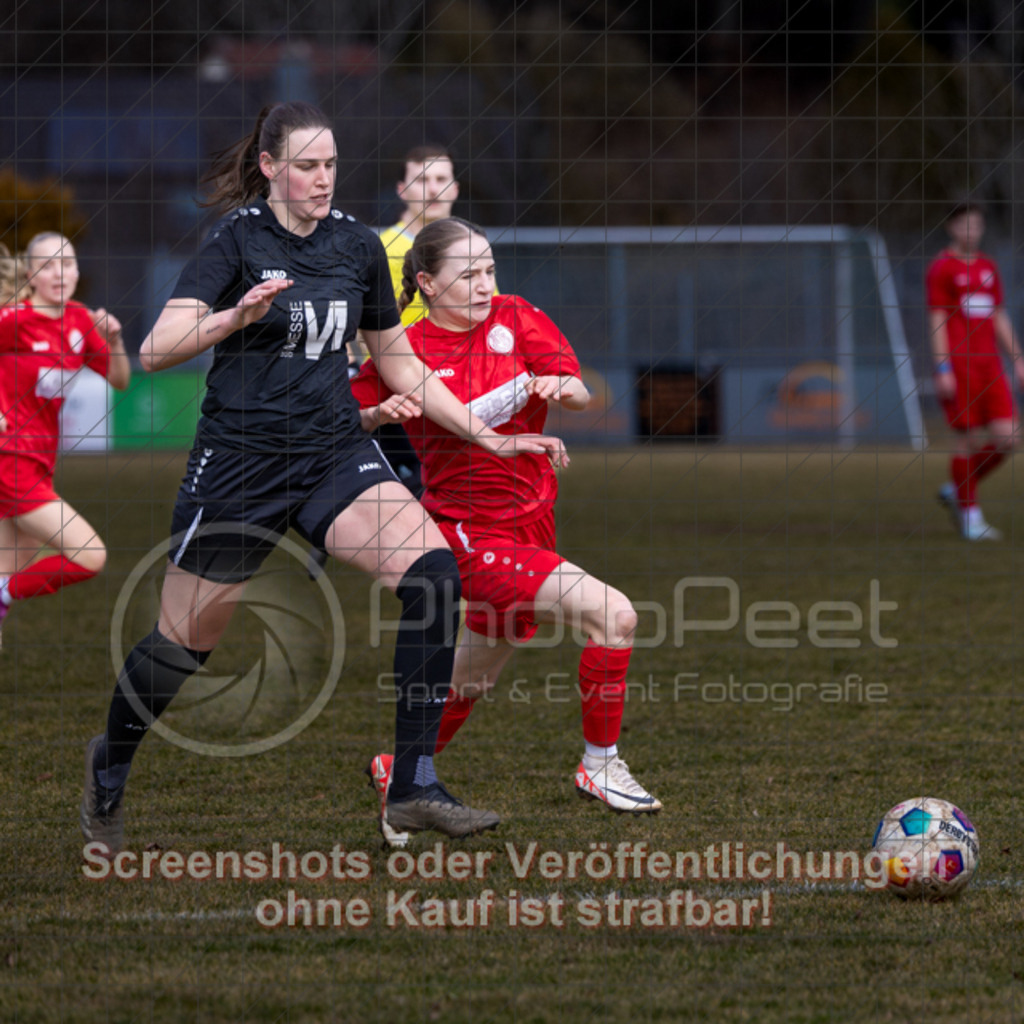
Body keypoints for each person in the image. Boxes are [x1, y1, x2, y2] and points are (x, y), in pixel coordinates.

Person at [79, 102, 566, 855]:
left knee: (435, 574)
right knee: (185, 645)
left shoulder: (356, 245)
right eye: (305, 165)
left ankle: (411, 785)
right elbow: (156, 350)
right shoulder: (237, 239)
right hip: (241, 463)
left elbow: (398, 361)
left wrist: (486, 435)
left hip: (334, 451)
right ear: (270, 167)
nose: (320, 178)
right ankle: (110, 761)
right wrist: (233, 318)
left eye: (331, 165)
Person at [350, 217, 662, 848]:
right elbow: (339, 417)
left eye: (489, 268)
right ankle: (599, 767)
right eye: (468, 274)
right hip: (466, 533)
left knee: (473, 678)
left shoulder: (517, 317)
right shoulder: (402, 349)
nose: (485, 283)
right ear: (427, 285)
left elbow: (575, 387)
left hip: (534, 523)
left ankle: (398, 770)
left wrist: (560, 387)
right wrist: (377, 412)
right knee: (615, 616)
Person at [0, 234, 130, 644]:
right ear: (31, 275)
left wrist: (114, 341)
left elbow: (120, 380)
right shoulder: (14, 321)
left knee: (9, 570)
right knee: (89, 555)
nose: (60, 273)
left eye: (68, 264)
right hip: (10, 459)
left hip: (40, 463)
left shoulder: (80, 321)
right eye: (48, 265)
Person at [929, 201, 1023, 541]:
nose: (972, 230)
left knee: (1009, 437)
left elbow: (997, 315)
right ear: (952, 227)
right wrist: (942, 368)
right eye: (965, 224)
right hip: (959, 365)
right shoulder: (942, 268)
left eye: (977, 224)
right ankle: (971, 519)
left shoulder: (988, 266)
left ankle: (958, 488)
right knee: (967, 440)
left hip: (990, 366)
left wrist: (1018, 359)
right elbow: (937, 319)